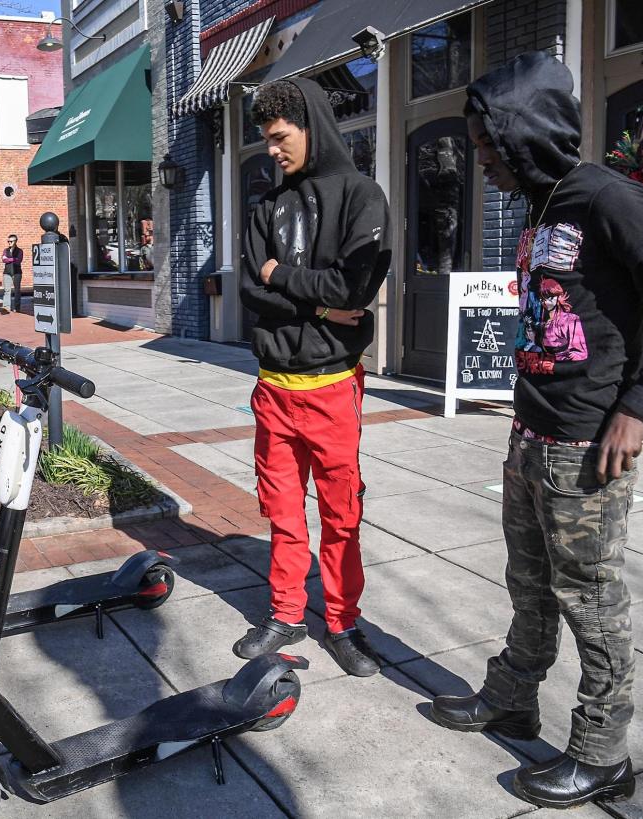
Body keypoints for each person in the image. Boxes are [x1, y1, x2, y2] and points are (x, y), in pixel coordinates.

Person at [429, 51, 643, 810]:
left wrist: (638, 407)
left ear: (526, 135)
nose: (484, 163)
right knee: (528, 586)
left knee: (591, 601)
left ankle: (602, 752)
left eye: (490, 146)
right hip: (531, 433)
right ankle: (511, 698)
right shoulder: (543, 202)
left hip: (586, 445)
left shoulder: (607, 197)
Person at [235, 77, 391, 678]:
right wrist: (320, 303)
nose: (272, 151)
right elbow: (252, 291)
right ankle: (285, 612)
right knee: (280, 510)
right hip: (273, 386)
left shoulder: (361, 197)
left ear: (310, 126)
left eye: (280, 138)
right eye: (266, 141)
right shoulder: (266, 208)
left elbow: (356, 287)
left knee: (340, 510)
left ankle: (343, 622)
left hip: (331, 388)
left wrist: (285, 279)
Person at [0, 233, 24, 312]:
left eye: (11, 241)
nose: (9, 243)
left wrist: (9, 259)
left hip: (17, 273)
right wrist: (13, 259)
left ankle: (17, 308)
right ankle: (6, 307)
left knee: (17, 290)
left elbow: (18, 261)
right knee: (7, 290)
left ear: (15, 241)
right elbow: (3, 260)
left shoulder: (19, 251)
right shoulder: (5, 250)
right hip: (7, 273)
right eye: (8, 241)